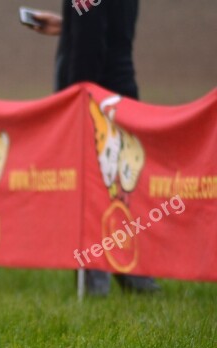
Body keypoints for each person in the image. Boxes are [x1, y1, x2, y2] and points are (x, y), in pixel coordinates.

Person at [28, 0, 160, 295]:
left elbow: (89, 47)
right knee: (121, 187)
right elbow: (108, 28)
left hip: (94, 95)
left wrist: (75, 99)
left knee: (90, 188)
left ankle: (95, 278)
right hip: (123, 92)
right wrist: (66, 26)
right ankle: (132, 270)